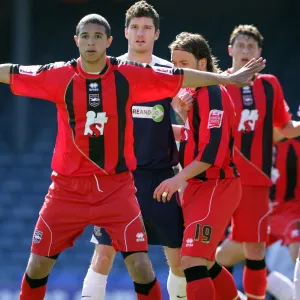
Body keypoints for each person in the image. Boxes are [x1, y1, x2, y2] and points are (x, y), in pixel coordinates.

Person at [0, 14, 265, 300]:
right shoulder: (60, 75)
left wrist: (225, 79)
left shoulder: (133, 74)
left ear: (110, 41)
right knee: (49, 264)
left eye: (98, 36)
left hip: (128, 185)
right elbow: (14, 72)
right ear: (77, 40)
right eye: (86, 36)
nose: (91, 42)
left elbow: (182, 82)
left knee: (159, 264)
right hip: (69, 188)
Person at [81, 2, 191, 299]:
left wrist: (185, 115)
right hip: (119, 178)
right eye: (135, 27)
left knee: (178, 258)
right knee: (104, 253)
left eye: (146, 28)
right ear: (125, 32)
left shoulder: (169, 72)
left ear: (156, 34)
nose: (140, 33)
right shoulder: (108, 70)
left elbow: (186, 116)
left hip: (160, 179)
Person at [153, 32, 241, 300]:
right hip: (198, 187)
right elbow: (194, 136)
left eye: (184, 63)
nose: (177, 70)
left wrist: (177, 180)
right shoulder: (194, 96)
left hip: (215, 185)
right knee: (204, 261)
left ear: (203, 64)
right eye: (174, 63)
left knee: (191, 261)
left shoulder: (212, 92)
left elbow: (211, 151)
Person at [216, 24, 300, 300]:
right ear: (230, 50)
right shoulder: (216, 83)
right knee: (199, 253)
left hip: (254, 183)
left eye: (250, 46)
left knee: (253, 251)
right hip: (216, 181)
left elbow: (284, 128)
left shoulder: (269, 85)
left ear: (259, 53)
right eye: (239, 45)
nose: (244, 51)